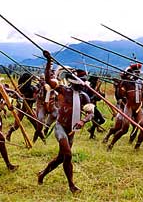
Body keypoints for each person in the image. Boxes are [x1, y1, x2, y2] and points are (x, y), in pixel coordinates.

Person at [38, 50, 94, 193]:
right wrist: (49, 62)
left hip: (72, 131)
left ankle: (42, 174)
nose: (83, 86)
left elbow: (91, 113)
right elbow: (48, 80)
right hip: (60, 128)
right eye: (81, 84)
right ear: (74, 83)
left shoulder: (84, 97)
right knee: (68, 155)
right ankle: (71, 185)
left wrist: (83, 120)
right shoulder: (64, 91)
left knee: (61, 158)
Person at [106, 63, 143, 151]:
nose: (138, 74)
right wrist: (119, 85)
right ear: (131, 73)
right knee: (125, 128)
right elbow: (120, 96)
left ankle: (137, 146)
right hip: (129, 107)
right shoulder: (126, 83)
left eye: (139, 72)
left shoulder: (141, 83)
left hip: (138, 108)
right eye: (136, 72)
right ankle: (111, 144)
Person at [6, 72, 46, 144]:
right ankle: (8, 134)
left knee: (37, 126)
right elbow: (13, 95)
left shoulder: (33, 88)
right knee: (16, 125)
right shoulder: (20, 88)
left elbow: (34, 99)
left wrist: (25, 99)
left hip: (30, 110)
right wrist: (18, 96)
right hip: (22, 109)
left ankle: (43, 141)